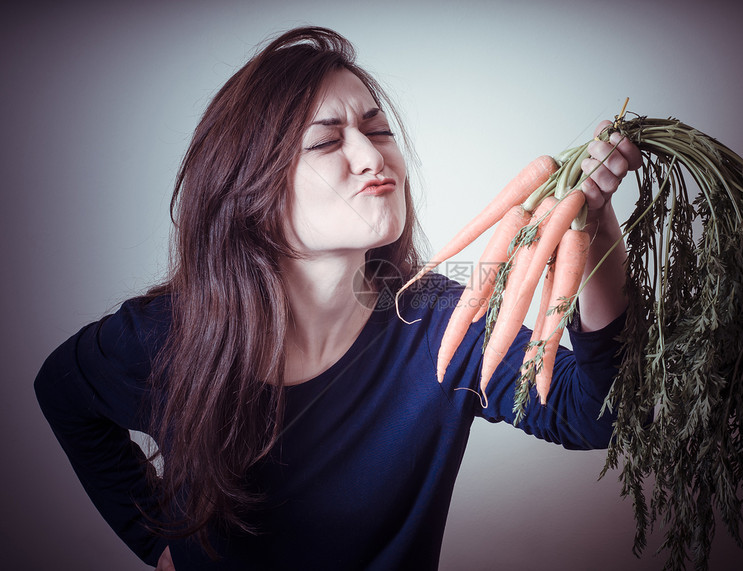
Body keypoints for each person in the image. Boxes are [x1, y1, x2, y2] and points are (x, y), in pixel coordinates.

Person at [34, 26, 642, 570]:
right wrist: (155, 544)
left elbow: (594, 414)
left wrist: (592, 218)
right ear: (252, 189)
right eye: (327, 143)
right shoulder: (166, 334)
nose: (372, 156)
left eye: (379, 131)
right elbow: (62, 391)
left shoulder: (437, 321)